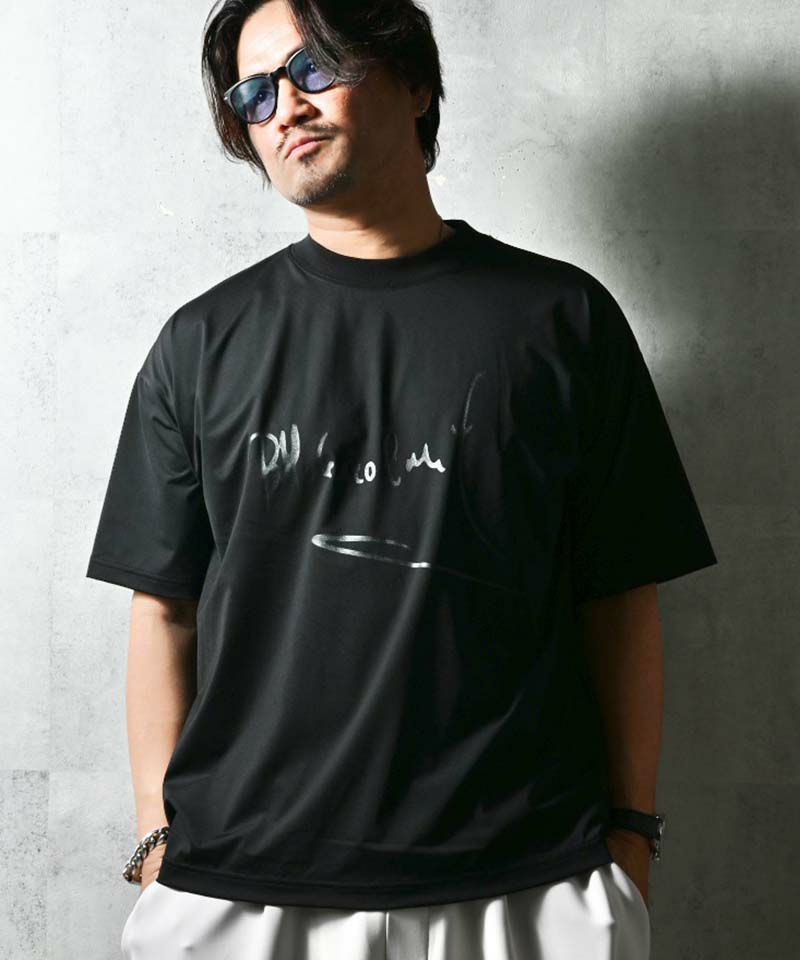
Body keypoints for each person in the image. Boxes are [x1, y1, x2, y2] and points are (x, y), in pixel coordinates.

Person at [86, 1, 718, 957]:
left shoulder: (564, 321)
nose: (285, 107)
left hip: (527, 878)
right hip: (241, 886)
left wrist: (630, 836)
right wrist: (155, 841)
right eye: (255, 94)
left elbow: (622, 595)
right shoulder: (200, 344)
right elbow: (163, 608)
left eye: (314, 68)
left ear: (415, 82)